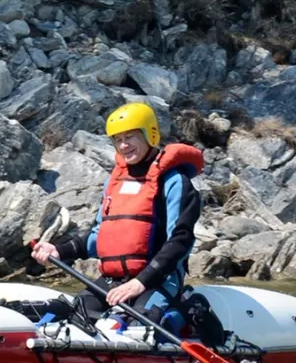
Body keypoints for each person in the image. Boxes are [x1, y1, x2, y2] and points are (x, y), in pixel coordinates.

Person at [30, 101, 203, 333]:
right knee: (76, 315)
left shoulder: (175, 183)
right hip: (113, 281)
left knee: (141, 326)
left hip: (157, 280)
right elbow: (97, 237)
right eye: (117, 139)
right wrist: (59, 251)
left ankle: (186, 313)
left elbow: (180, 241)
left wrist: (139, 283)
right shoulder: (115, 182)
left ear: (150, 134)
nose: (123, 145)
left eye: (130, 136)